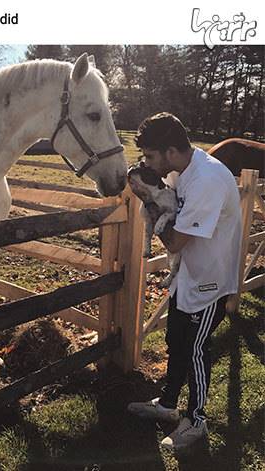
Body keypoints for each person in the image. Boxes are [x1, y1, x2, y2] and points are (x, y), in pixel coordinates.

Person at [128, 112, 242, 451]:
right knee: (176, 340)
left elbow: (175, 241)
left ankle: (197, 421)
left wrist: (149, 200)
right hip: (189, 274)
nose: (148, 163)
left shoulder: (207, 180)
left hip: (210, 280)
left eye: (150, 156)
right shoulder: (184, 170)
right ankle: (167, 404)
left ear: (171, 150)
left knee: (195, 349)